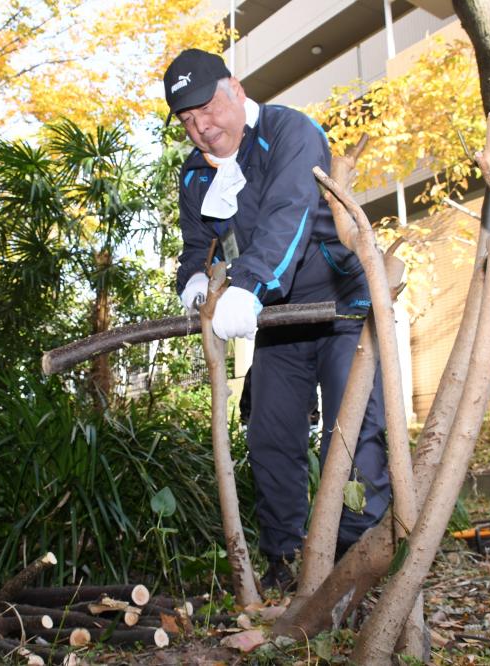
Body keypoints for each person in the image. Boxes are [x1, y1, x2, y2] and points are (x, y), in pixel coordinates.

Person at [163, 49, 391, 591]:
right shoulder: (196, 174)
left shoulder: (293, 131)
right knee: (270, 434)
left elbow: (291, 213)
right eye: (188, 120)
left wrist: (250, 285)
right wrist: (194, 281)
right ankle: (286, 561)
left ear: (236, 89)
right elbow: (197, 244)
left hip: (339, 305)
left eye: (209, 108)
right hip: (277, 320)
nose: (203, 127)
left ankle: (359, 563)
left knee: (352, 432)